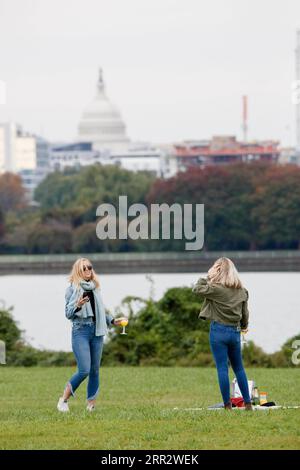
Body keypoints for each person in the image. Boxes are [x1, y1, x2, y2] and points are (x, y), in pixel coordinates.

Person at [57, 258, 125, 412]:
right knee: (84, 370)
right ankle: (63, 400)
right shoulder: (72, 289)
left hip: (97, 332)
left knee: (95, 370)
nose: (88, 271)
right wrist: (78, 305)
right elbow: (68, 314)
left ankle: (91, 405)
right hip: (80, 331)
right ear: (78, 271)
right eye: (84, 269)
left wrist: (114, 320)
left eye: (90, 267)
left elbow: (101, 311)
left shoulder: (95, 288)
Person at [193, 257, 252, 410]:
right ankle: (248, 403)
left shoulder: (216, 289)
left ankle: (227, 405)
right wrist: (244, 327)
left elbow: (197, 289)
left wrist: (207, 275)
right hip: (235, 332)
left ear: (218, 270)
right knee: (239, 368)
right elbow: (245, 314)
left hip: (218, 332)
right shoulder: (242, 291)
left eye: (215, 267)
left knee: (222, 368)